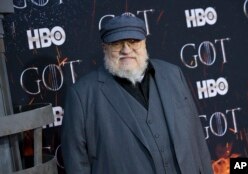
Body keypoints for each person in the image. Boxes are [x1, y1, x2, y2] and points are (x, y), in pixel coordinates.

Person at [61, 12, 213, 174]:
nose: (126, 50)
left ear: (144, 43)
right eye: (117, 43)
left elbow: (196, 137)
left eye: (133, 41)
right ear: (104, 47)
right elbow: (76, 162)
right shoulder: (82, 95)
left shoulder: (173, 74)